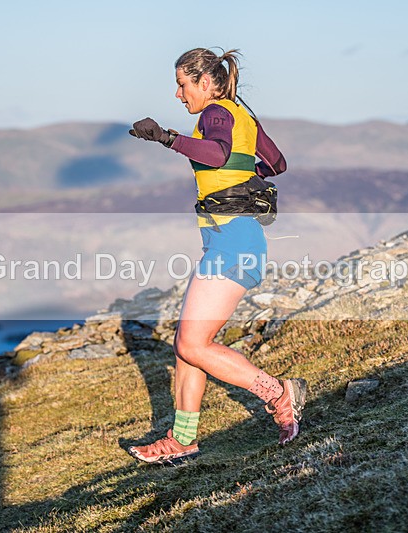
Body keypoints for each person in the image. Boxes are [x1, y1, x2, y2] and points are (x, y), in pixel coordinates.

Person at [126, 47, 306, 465]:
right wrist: (248, 179)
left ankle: (279, 393)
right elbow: (276, 163)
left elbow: (219, 154)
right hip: (234, 237)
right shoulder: (243, 115)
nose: (178, 94)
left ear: (205, 83)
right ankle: (183, 439)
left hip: (233, 240)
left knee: (192, 342)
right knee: (187, 343)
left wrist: (166, 138)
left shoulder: (215, 113)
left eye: (182, 84)